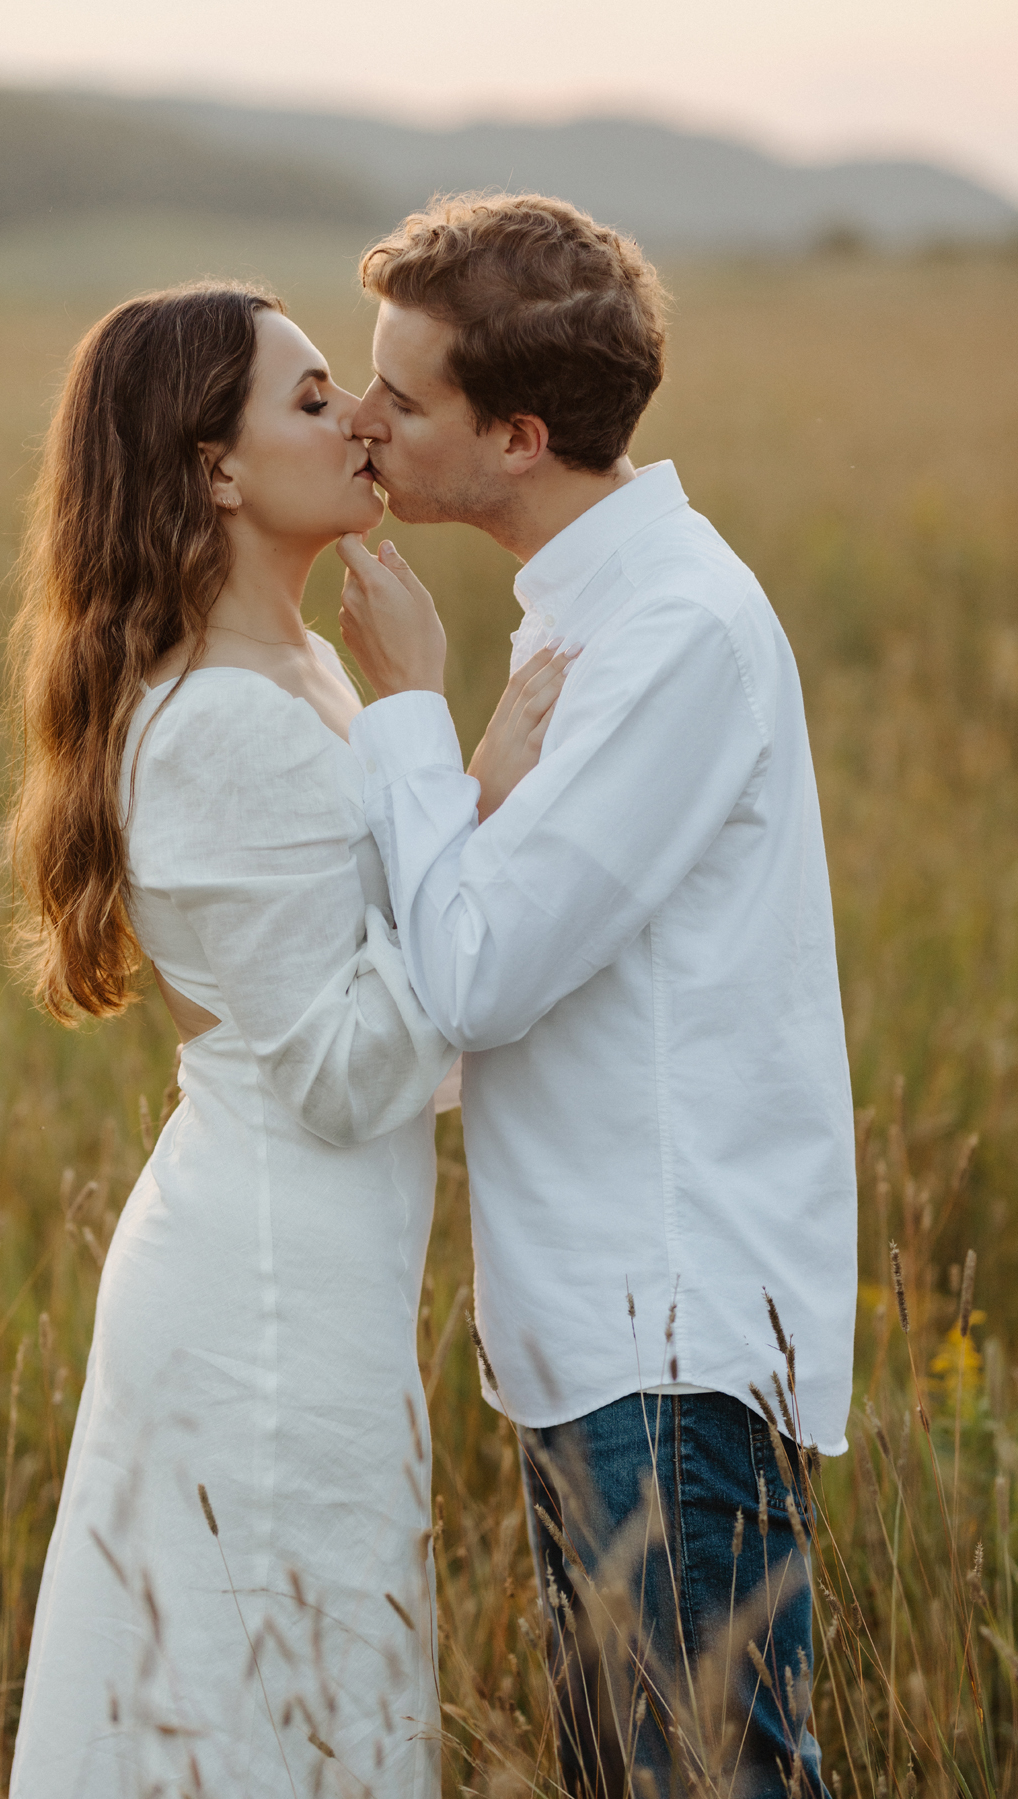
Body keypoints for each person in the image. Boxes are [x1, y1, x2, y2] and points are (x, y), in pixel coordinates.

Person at [2, 282, 572, 1799]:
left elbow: (386, 955)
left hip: (323, 1252)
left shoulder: (304, 674)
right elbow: (342, 1067)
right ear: (218, 471)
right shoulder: (220, 727)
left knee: (315, 1680)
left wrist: (425, 758)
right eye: (312, 398)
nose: (360, 420)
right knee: (272, 1693)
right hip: (265, 1283)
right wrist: (482, 798)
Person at [336, 194, 856, 1798]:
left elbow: (479, 974)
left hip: (671, 1340)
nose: (363, 422)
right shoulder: (593, 614)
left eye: (402, 399)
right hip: (606, 1335)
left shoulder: (671, 635)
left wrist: (417, 720)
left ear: (519, 435)